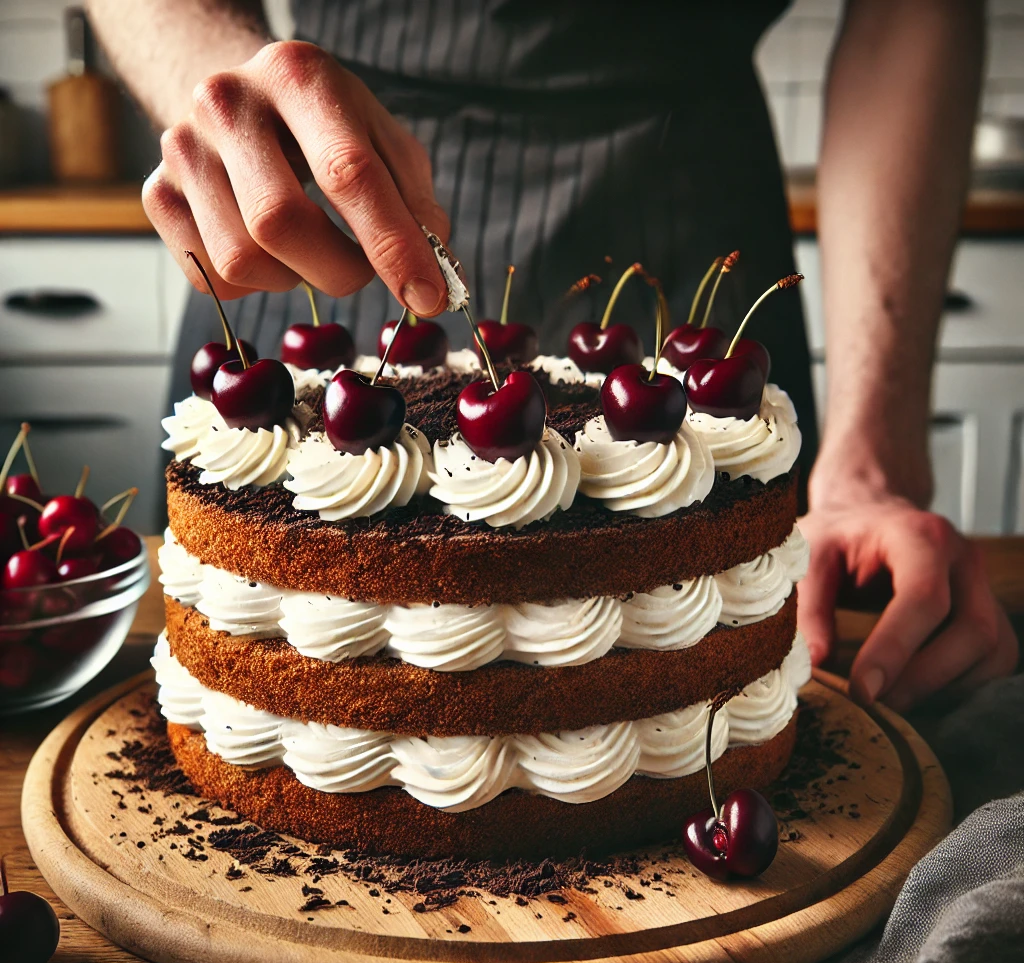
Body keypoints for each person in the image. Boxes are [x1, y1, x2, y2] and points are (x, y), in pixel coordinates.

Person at [85, 0, 1018, 712]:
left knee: (689, 661)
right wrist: (232, 108)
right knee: (292, 654)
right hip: (320, 207)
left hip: (682, 218)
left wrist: (870, 462)